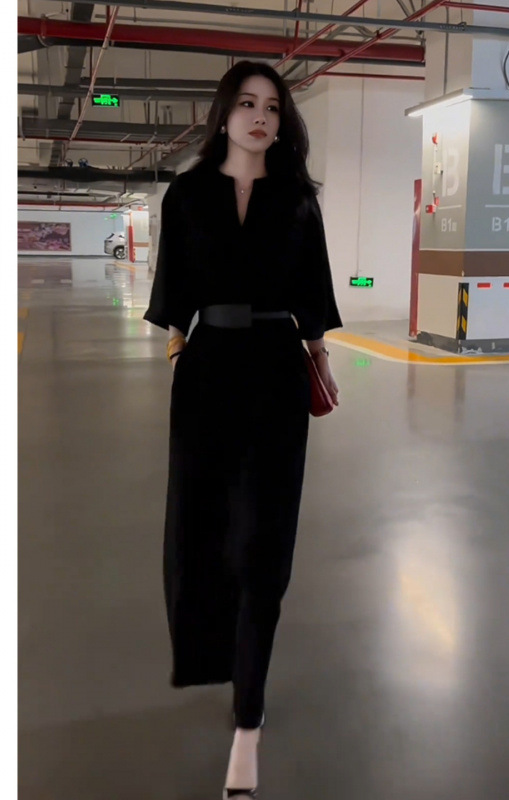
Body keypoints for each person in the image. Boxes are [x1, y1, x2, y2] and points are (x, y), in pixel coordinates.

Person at [144, 60, 342, 799]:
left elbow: (313, 292)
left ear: (282, 122)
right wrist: (177, 354)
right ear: (224, 113)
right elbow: (173, 292)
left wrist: (320, 359)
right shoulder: (188, 194)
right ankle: (219, 658)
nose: (261, 117)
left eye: (273, 107)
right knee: (201, 535)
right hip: (206, 375)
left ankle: (248, 720)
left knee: (265, 544)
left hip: (276, 375)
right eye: (248, 104)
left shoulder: (298, 200)